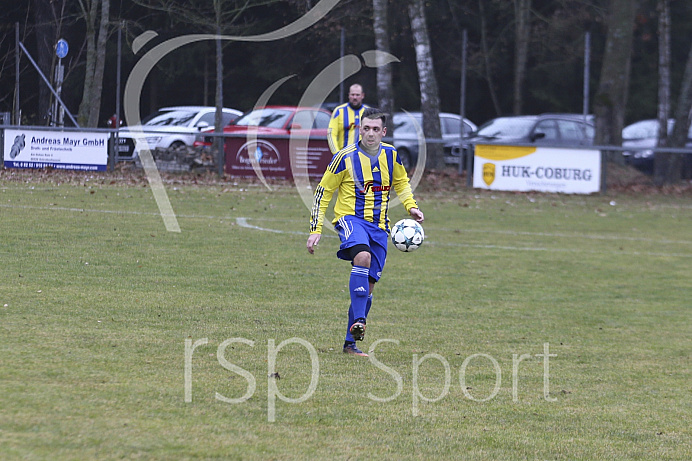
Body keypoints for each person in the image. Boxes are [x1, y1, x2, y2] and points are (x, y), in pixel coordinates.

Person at [307, 108, 424, 357]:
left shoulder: (391, 155)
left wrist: (411, 207)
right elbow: (323, 191)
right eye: (366, 128)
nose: (370, 134)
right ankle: (360, 320)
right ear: (360, 130)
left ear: (383, 131)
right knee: (362, 257)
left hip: (380, 227)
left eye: (375, 129)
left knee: (368, 288)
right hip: (351, 220)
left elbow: (401, 183)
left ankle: (351, 343)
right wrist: (316, 228)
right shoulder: (344, 157)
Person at [327, 84, 370, 154]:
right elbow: (331, 134)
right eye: (352, 95)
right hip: (345, 156)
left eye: (357, 95)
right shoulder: (339, 111)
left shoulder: (369, 112)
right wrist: (336, 153)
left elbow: (375, 135)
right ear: (349, 95)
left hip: (364, 157)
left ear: (362, 95)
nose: (355, 97)